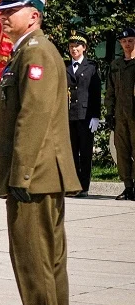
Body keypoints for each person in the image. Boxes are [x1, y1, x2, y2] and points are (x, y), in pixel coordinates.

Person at [0, 0, 78, 305]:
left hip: (35, 176)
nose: (4, 18)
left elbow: (34, 119)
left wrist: (20, 175)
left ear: (34, 15)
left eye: (12, 11)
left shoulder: (36, 52)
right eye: (3, 12)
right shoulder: (27, 52)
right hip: (40, 175)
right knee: (47, 260)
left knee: (34, 259)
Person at [64, 35, 100, 199]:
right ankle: (72, 185)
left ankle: (84, 186)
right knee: (71, 152)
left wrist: (96, 116)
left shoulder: (91, 67)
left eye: (77, 46)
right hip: (69, 114)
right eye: (71, 46)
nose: (74, 49)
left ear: (84, 48)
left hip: (85, 115)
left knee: (85, 153)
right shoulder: (65, 66)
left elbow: (95, 93)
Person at [105, 27, 135, 200]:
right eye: (123, 42)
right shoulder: (116, 65)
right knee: (122, 150)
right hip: (120, 114)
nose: (127, 44)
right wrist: (109, 113)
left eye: (130, 41)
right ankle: (128, 186)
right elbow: (110, 92)